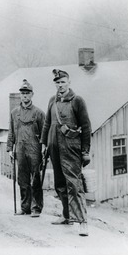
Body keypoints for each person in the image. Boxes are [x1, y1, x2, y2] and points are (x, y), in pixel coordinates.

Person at [40, 69, 91, 236]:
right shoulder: (52, 101)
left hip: (71, 148)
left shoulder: (78, 101)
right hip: (54, 147)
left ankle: (82, 221)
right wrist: (43, 144)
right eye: (57, 82)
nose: (60, 85)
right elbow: (47, 124)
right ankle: (66, 215)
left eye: (62, 82)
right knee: (60, 183)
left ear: (69, 82)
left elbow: (86, 127)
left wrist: (85, 151)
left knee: (74, 184)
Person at [6, 79, 45, 217]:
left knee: (35, 178)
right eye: (22, 93)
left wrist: (43, 149)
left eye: (27, 93)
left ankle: (36, 208)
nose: (25, 96)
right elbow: (11, 131)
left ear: (32, 95)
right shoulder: (14, 113)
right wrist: (10, 148)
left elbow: (44, 134)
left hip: (34, 149)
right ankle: (25, 207)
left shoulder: (39, 113)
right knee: (22, 179)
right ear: (20, 95)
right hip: (20, 149)